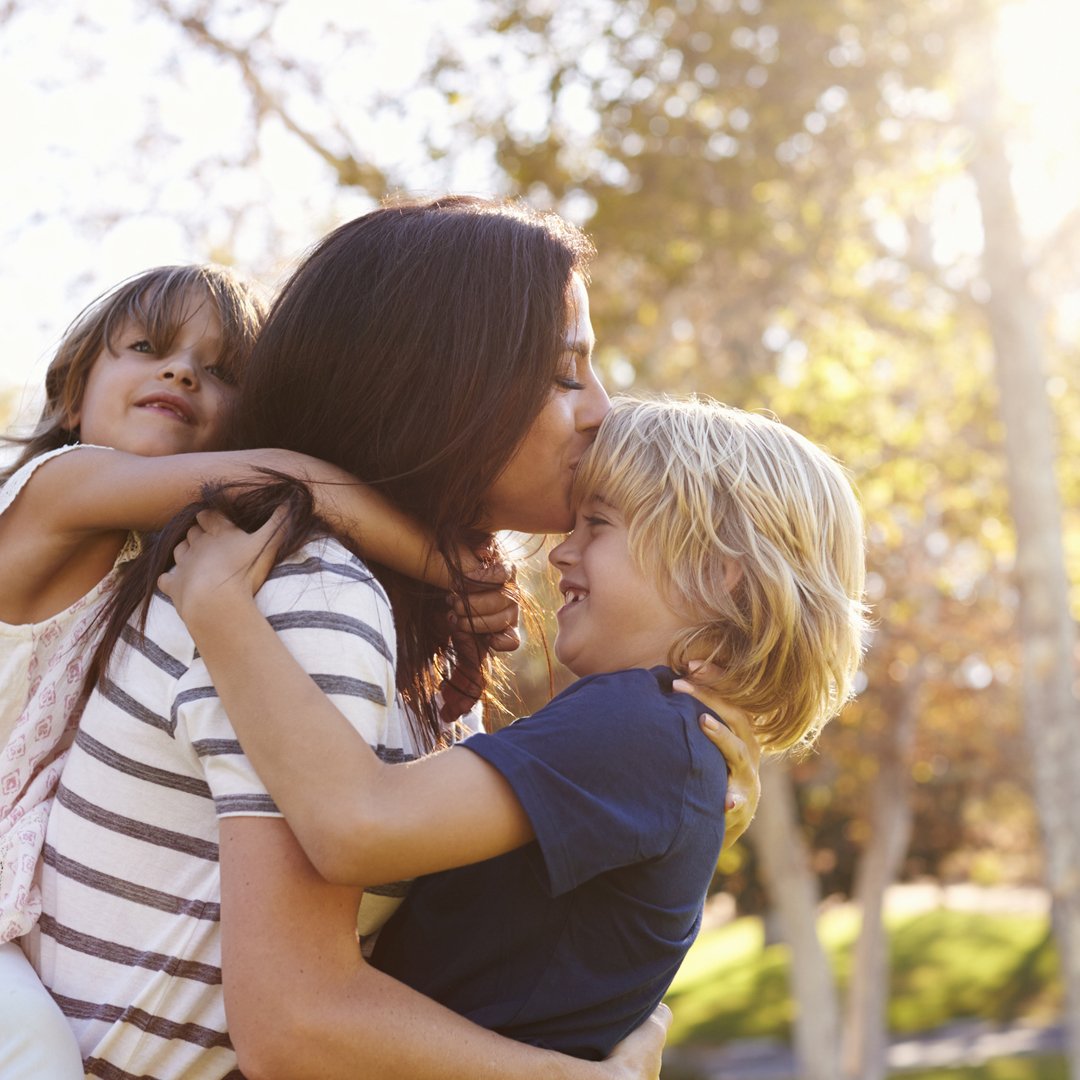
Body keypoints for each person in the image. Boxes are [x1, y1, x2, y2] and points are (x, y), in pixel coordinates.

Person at [26, 198, 759, 1080]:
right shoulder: (305, 594)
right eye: (567, 373)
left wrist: (668, 791)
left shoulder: (405, 615)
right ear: (443, 381)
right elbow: (298, 1023)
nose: (603, 410)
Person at [160, 394, 868, 1060]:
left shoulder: (638, 725)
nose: (561, 551)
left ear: (720, 576)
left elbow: (357, 824)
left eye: (600, 524)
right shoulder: (667, 740)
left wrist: (220, 609)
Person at [0, 262, 512, 1079]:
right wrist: (445, 565)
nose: (181, 372)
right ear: (70, 396)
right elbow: (282, 477)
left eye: (221, 371)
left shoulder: (154, 555)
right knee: (36, 1056)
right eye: (147, 347)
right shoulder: (57, 485)